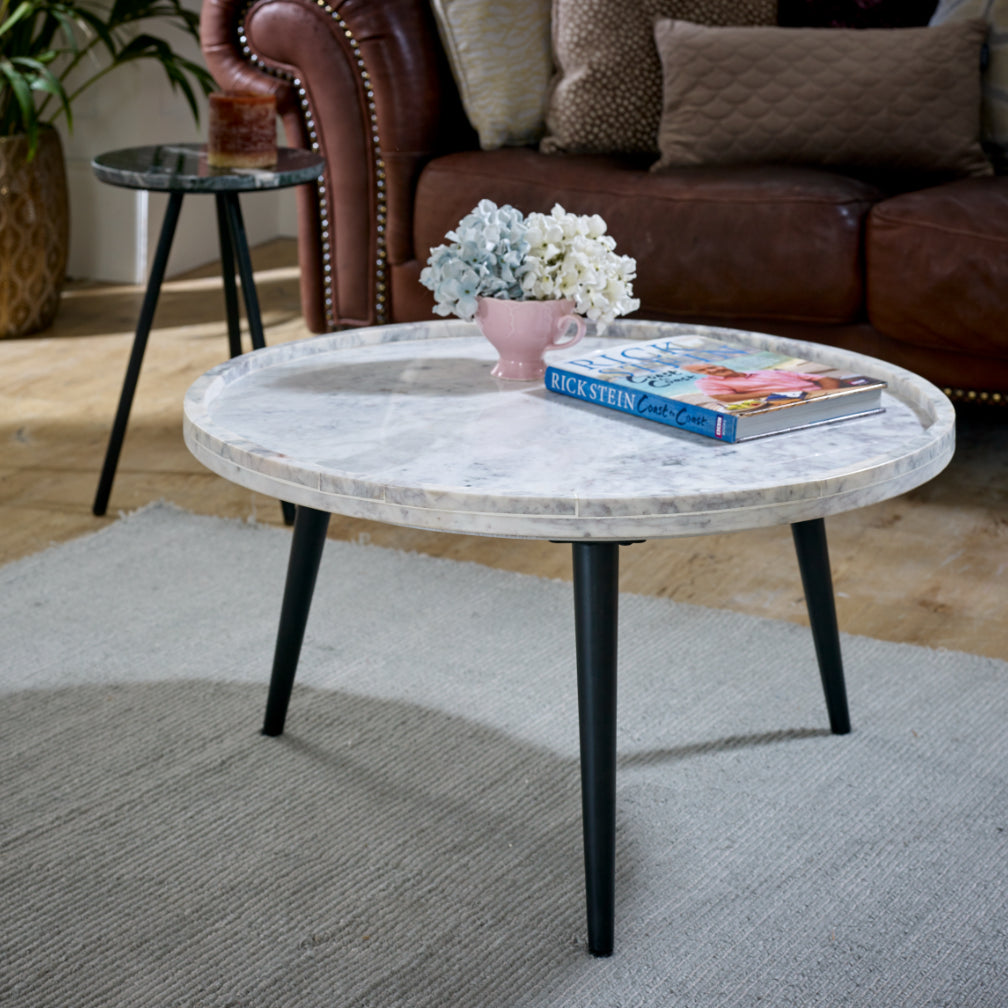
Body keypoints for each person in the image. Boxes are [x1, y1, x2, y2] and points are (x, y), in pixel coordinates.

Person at [681, 362, 844, 404]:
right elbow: (726, 398)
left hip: (826, 392)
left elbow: (821, 378)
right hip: (790, 400)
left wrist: (827, 393)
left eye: (710, 367)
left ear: (719, 364)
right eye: (702, 371)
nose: (711, 371)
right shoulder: (707, 383)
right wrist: (775, 394)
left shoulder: (763, 371)